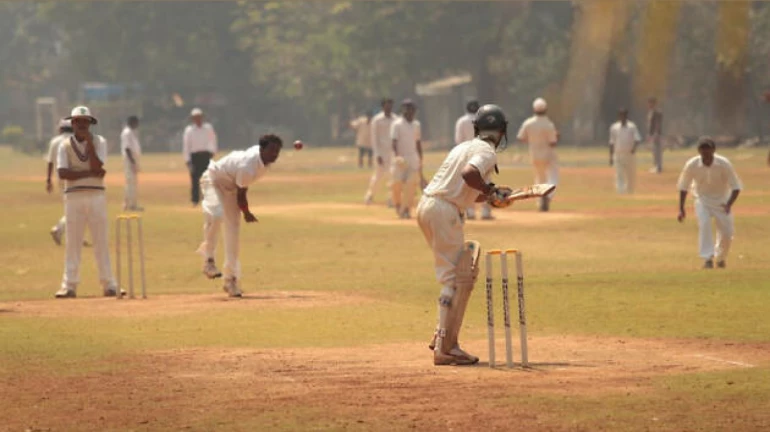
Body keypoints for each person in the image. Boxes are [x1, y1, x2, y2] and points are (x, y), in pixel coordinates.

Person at [417, 104, 512, 365]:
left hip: (428, 206)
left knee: (456, 277)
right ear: (502, 131)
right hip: (445, 211)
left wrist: (493, 194)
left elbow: (468, 188)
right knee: (457, 279)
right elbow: (469, 175)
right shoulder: (486, 151)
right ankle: (446, 347)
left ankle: (442, 338)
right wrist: (491, 191)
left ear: (477, 128)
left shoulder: (463, 147)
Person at [196, 134, 283, 297]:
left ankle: (231, 280)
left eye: (277, 151)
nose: (274, 154)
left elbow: (240, 188)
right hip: (213, 179)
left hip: (232, 187)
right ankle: (208, 260)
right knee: (216, 215)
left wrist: (244, 211)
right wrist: (247, 213)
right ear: (261, 149)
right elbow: (242, 194)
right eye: (271, 150)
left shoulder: (262, 161)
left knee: (233, 231)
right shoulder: (248, 165)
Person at [55, 106, 119, 298]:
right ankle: (69, 286)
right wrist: (89, 173)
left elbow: (98, 166)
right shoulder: (64, 145)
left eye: (86, 121)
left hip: (96, 195)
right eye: (78, 121)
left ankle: (109, 284)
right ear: (72, 123)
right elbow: (63, 173)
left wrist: (90, 144)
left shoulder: (100, 142)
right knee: (73, 242)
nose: (82, 125)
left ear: (90, 124)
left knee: (101, 240)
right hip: (73, 197)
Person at [677, 137, 742, 269]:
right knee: (704, 224)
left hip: (722, 201)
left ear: (713, 150)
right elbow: (683, 187)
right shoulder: (692, 164)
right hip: (702, 199)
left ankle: (721, 258)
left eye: (708, 152)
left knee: (727, 232)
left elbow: (736, 186)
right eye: (703, 152)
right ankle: (707, 258)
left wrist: (729, 204)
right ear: (699, 151)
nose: (706, 155)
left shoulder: (724, 164)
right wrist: (681, 208)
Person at [517, 98, 560, 211]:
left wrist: (532, 140)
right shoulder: (548, 124)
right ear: (545, 109)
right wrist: (557, 136)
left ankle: (540, 200)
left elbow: (521, 137)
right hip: (548, 155)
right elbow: (553, 142)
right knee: (553, 177)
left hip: (534, 155)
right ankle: (548, 195)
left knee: (539, 178)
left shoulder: (528, 123)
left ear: (534, 109)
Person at [456, 99, 493, 220]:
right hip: (482, 154)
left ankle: (470, 211)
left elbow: (458, 140)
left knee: (468, 183)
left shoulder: (461, 121)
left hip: (467, 155)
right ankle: (486, 212)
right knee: (485, 182)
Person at [390, 99, 423, 219]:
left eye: (411, 109)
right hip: (399, 159)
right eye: (407, 108)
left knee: (411, 185)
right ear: (403, 110)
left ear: (414, 111)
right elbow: (394, 142)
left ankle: (406, 209)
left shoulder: (416, 125)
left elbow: (418, 143)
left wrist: (421, 160)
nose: (409, 111)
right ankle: (398, 205)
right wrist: (397, 156)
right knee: (396, 185)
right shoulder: (397, 124)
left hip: (413, 159)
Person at [364, 98, 397, 205]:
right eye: (387, 106)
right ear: (383, 107)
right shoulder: (376, 120)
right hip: (381, 152)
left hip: (392, 152)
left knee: (393, 176)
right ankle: (370, 195)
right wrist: (377, 154)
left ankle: (391, 199)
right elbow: (374, 138)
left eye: (390, 106)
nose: (389, 108)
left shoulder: (396, 119)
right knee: (378, 175)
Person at [183, 108, 218, 206]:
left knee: (207, 178)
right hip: (194, 156)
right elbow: (186, 145)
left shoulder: (208, 128)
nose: (198, 119)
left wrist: (212, 152)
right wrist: (187, 160)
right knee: (194, 178)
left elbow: (213, 140)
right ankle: (195, 200)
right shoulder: (189, 130)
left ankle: (207, 198)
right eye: (195, 118)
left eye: (199, 117)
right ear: (193, 119)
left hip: (206, 155)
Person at [46, 119, 72, 245]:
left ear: (61, 129)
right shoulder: (76, 139)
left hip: (60, 177)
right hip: (76, 177)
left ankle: (73, 235)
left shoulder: (55, 141)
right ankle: (59, 229)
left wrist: (48, 180)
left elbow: (50, 162)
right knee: (76, 208)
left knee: (72, 207)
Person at [608, 108, 641, 194]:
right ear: (619, 116)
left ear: (627, 116)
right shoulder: (614, 127)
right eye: (621, 115)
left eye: (624, 115)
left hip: (629, 154)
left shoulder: (632, 127)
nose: (623, 117)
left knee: (631, 174)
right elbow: (611, 142)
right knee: (619, 174)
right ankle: (621, 192)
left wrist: (634, 149)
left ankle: (630, 191)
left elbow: (637, 139)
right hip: (618, 154)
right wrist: (611, 156)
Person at [121, 116, 143, 211]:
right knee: (131, 182)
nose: (137, 125)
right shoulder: (127, 133)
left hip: (132, 158)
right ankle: (131, 205)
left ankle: (128, 203)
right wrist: (133, 162)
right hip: (129, 159)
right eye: (136, 122)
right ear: (132, 122)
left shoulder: (131, 132)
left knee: (132, 182)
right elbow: (127, 148)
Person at [647, 97, 664, 173]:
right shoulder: (650, 112)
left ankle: (658, 166)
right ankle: (656, 165)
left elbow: (658, 124)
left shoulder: (657, 112)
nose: (650, 104)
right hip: (652, 134)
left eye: (652, 103)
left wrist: (656, 133)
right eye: (649, 103)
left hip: (656, 134)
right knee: (654, 151)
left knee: (657, 151)